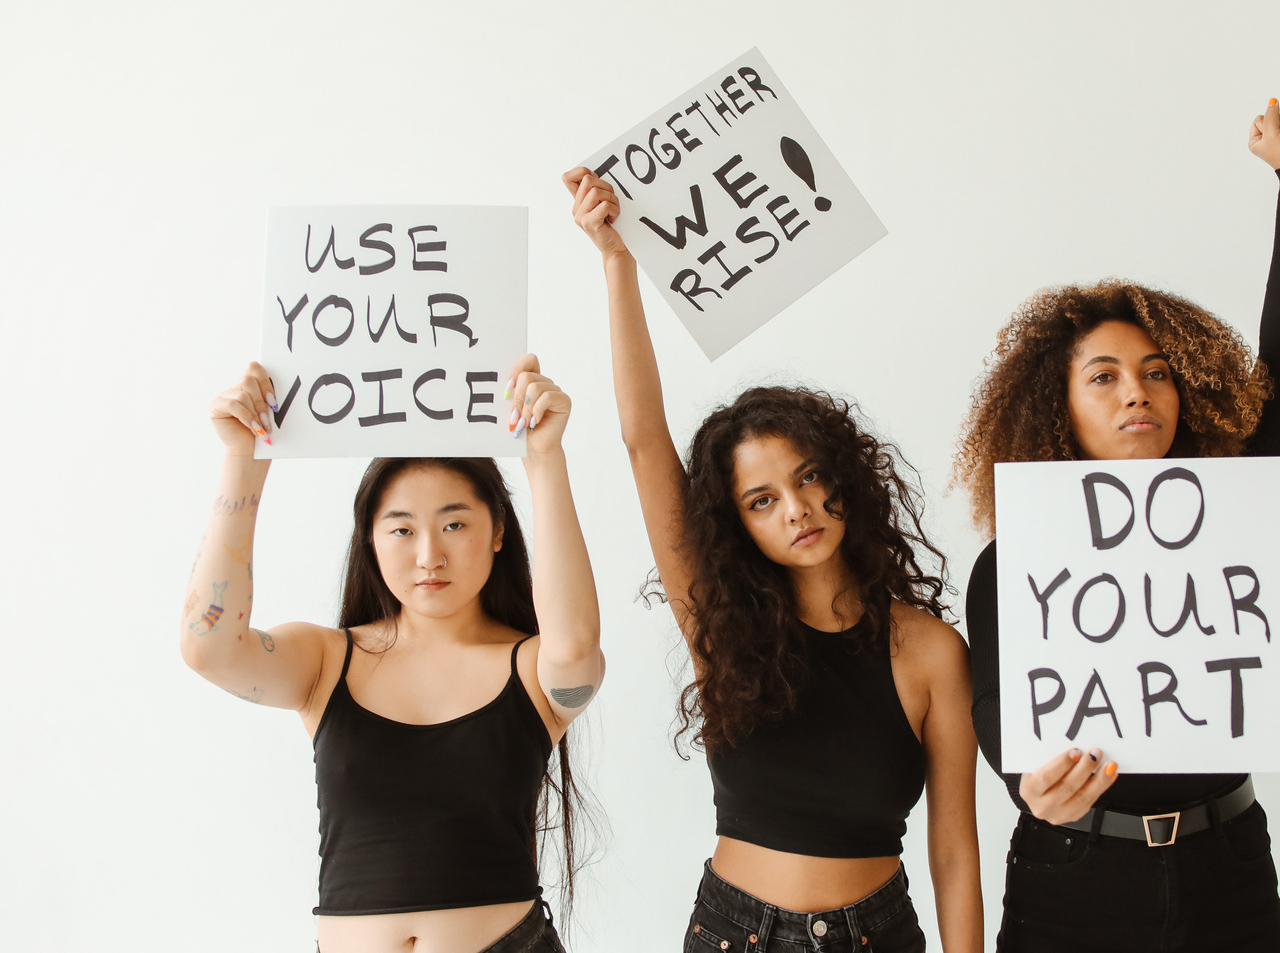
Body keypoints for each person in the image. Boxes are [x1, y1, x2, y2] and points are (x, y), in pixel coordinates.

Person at [563, 167, 983, 952]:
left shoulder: (928, 649)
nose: (795, 509)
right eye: (762, 501)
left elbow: (955, 851)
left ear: (845, 481)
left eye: (809, 478)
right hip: (735, 934)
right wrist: (618, 262)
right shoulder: (718, 625)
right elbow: (643, 438)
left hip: (876, 937)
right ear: (736, 526)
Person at [952, 99, 1280, 952]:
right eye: (1107, 377)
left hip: (1226, 864)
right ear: (1058, 409)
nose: (1137, 393)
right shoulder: (1014, 560)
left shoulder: (1235, 508)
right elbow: (1000, 711)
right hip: (1073, 878)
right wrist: (1029, 785)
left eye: (1156, 373)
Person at [180, 355, 602, 953]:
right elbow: (209, 647)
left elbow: (578, 647)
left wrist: (544, 458)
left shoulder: (535, 669)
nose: (429, 555)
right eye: (402, 529)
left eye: (455, 525)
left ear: (498, 531)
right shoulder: (324, 660)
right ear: (371, 542)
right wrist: (242, 463)